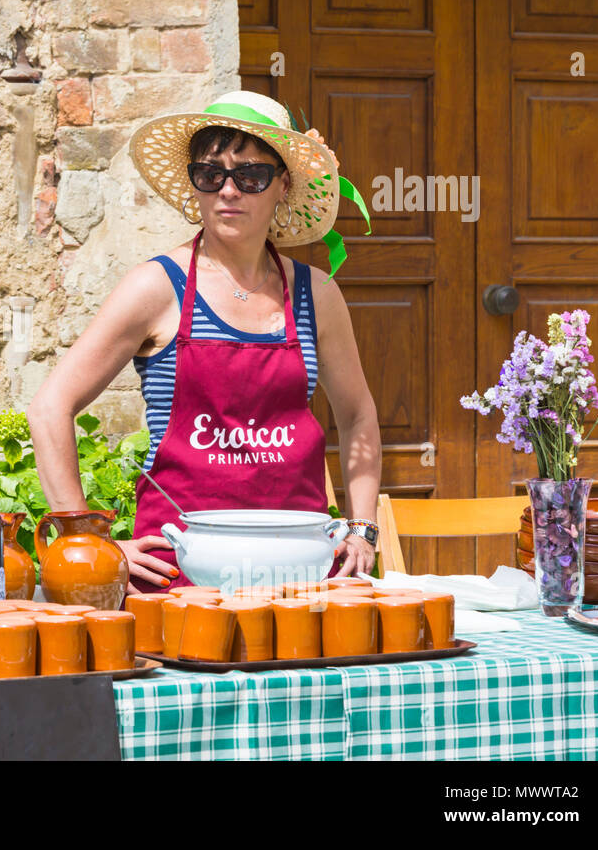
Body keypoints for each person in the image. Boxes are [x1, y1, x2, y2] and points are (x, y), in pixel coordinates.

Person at [27, 90, 382, 593]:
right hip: (180, 573)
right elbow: (50, 408)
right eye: (211, 175)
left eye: (251, 175)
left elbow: (359, 416)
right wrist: (85, 540)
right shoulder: (156, 288)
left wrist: (361, 527)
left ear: (282, 186)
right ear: (195, 186)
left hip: (300, 572)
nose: (228, 191)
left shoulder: (317, 296)